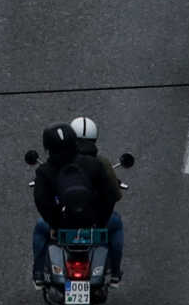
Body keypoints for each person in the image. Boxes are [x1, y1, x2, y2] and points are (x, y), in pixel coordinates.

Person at [31, 119, 125, 283]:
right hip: (93, 224)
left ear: (48, 147)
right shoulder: (93, 164)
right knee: (116, 225)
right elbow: (109, 195)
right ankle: (115, 272)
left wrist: (55, 224)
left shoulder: (45, 171)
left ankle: (38, 274)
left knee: (40, 229)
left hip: (62, 227)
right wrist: (101, 221)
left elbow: (42, 202)